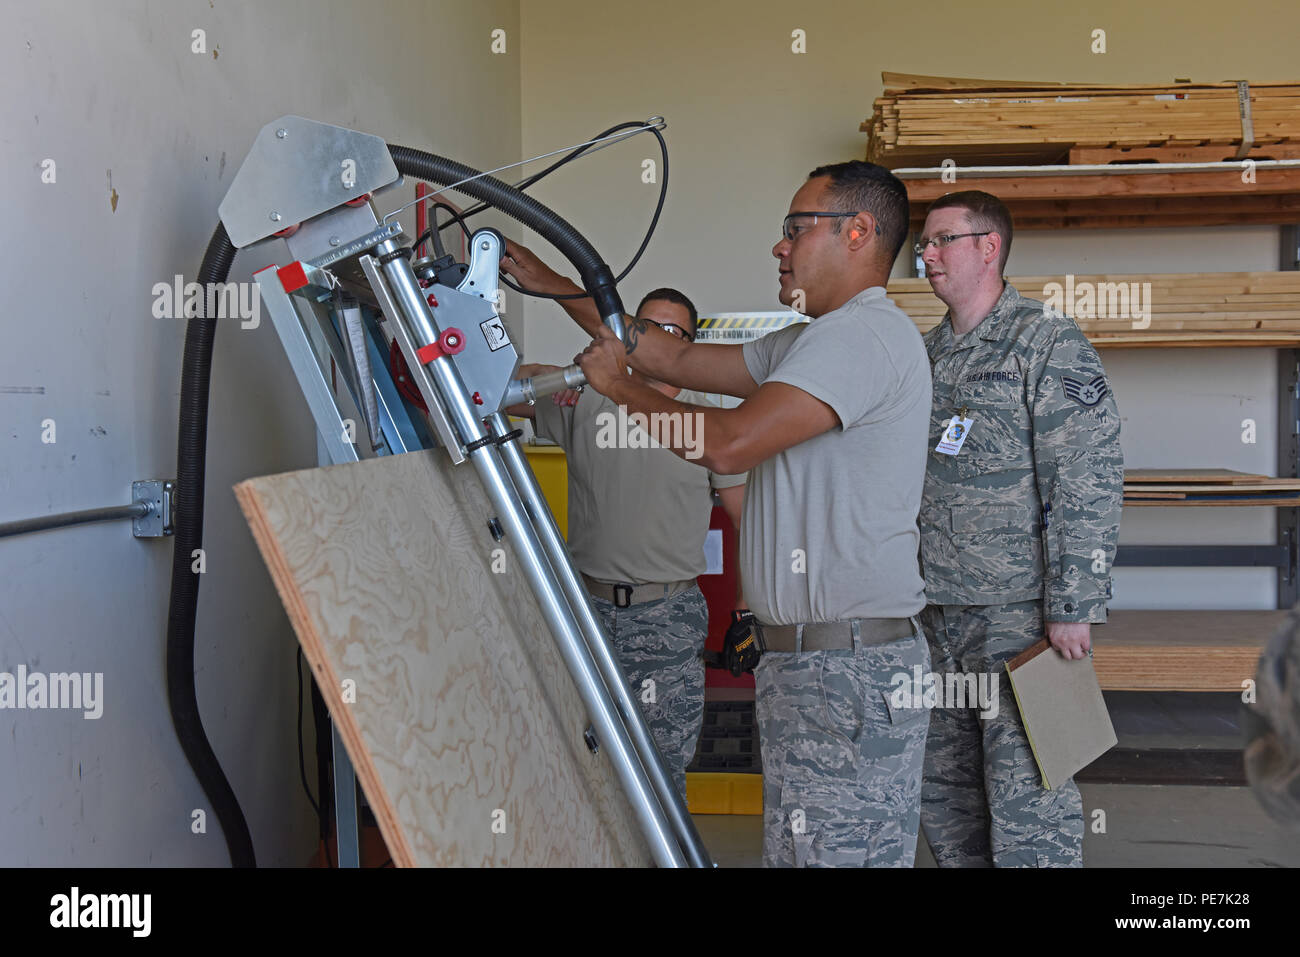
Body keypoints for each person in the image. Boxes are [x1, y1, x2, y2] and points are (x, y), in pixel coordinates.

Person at [502, 160, 933, 867]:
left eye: (797, 228)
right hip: (812, 664)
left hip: (846, 669)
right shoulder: (808, 342)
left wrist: (621, 388)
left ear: (858, 233)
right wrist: (555, 284)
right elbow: (673, 356)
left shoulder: (864, 337)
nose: (780, 246)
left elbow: (729, 444)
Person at [914, 190, 1124, 867]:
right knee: (946, 796)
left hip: (1020, 618)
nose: (928, 253)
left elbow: (1086, 476)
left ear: (989, 246)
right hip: (932, 612)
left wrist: (1073, 605)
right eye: (924, 242)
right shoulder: (925, 354)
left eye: (944, 239)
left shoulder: (1047, 341)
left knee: (1030, 794)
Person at [506, 288, 746, 802]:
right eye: (647, 327)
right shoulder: (587, 399)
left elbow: (748, 521)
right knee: (582, 758)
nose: (657, 339)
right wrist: (562, 375)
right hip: (587, 612)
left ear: (690, 346)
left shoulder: (710, 422)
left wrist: (746, 612)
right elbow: (501, 389)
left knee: (661, 769)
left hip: (668, 618)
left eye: (673, 333)